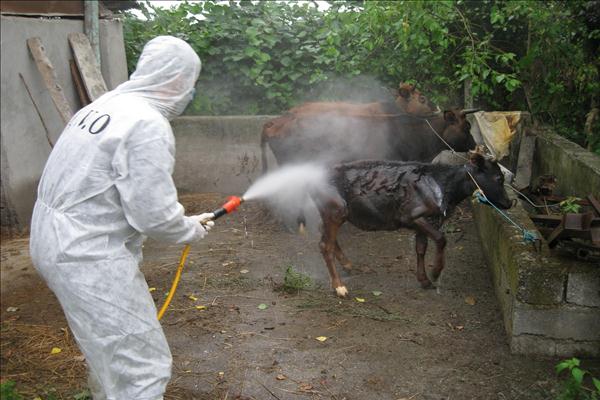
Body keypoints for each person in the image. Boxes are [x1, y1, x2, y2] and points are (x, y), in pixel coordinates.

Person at [29, 36, 213, 399]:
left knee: (108, 354)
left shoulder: (108, 104)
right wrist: (188, 228)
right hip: (87, 254)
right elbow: (153, 216)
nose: (189, 93)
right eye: (190, 84)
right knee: (142, 368)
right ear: (177, 80)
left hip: (53, 238)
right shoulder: (147, 124)